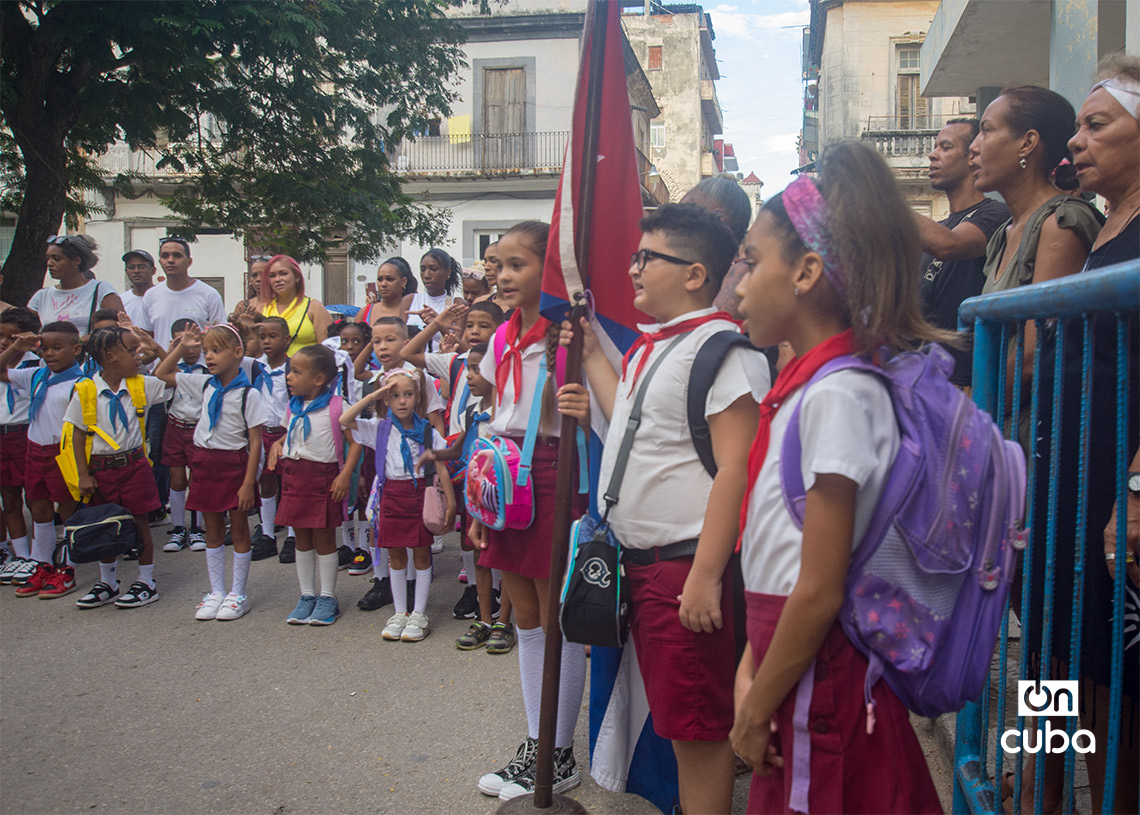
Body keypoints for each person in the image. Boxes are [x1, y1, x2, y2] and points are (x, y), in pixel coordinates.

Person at [730, 143, 946, 813]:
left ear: (806, 272)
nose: (738, 282)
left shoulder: (839, 394)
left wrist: (752, 707)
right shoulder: (809, 387)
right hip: (791, 665)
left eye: (751, 260)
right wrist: (749, 669)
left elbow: (820, 588)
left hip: (823, 683)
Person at [558, 203, 769, 815]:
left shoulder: (723, 351)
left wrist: (704, 576)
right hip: (639, 563)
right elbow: (628, 414)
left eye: (649, 258)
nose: (634, 269)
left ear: (697, 274)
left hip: (683, 568)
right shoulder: (655, 348)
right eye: (635, 256)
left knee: (697, 729)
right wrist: (593, 346)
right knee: (678, 718)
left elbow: (738, 468)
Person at [1004, 57, 1140, 815]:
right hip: (1068, 488)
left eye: (1099, 125)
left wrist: (1136, 491)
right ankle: (1045, 799)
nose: (1077, 143)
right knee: (1052, 666)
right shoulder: (1103, 223)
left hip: (1117, 497)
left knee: (1119, 689)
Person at [469, 221, 588, 801]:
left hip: (552, 473)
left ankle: (557, 752)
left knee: (553, 613)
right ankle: (539, 742)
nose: (502, 274)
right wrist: (479, 494)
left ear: (550, 270)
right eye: (498, 264)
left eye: (517, 264)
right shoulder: (501, 336)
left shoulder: (568, 336)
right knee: (523, 615)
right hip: (504, 475)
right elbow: (495, 409)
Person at [969, 85, 1101, 396]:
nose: (974, 147)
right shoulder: (1004, 233)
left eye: (986, 130)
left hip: (1034, 432)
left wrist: (966, 415)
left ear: (1027, 143)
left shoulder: (1060, 223)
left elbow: (1033, 356)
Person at [402, 301, 506, 625]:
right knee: (467, 528)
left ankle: (500, 599)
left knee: (498, 536)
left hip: (494, 462)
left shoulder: (504, 368)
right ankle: (477, 590)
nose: (475, 331)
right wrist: (438, 325)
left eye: (484, 326)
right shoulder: (456, 361)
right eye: (470, 325)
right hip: (464, 456)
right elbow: (409, 353)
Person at [154, 323, 266, 621]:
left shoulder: (248, 394)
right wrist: (181, 346)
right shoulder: (203, 384)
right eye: (206, 352)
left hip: (233, 465)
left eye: (217, 350)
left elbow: (255, 441)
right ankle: (216, 590)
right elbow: (161, 374)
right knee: (211, 528)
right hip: (204, 462)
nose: (209, 357)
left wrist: (247, 484)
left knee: (239, 528)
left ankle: (238, 593)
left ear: (238, 352)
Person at [339, 369, 456, 641]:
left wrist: (450, 504)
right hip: (390, 495)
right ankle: (400, 611)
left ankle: (419, 612)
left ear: (418, 398)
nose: (401, 401)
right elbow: (345, 419)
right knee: (396, 556)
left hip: (419, 496)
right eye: (394, 396)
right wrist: (375, 395)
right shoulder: (379, 428)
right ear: (386, 400)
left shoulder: (427, 431)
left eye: (408, 394)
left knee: (422, 554)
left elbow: (441, 468)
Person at [421, 342, 516, 653]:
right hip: (476, 498)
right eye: (469, 369)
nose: (470, 376)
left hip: (502, 497)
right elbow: (459, 448)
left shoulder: (510, 412)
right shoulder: (473, 410)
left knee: (507, 559)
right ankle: (485, 619)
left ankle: (505, 621)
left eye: (477, 369)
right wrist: (433, 454)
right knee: (481, 557)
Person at [67, 327, 170, 607]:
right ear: (110, 356)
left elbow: (169, 374)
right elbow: (77, 433)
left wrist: (160, 347)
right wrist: (83, 474)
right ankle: (108, 582)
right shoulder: (85, 389)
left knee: (140, 523)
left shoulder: (142, 384)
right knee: (105, 524)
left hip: (134, 464)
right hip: (100, 468)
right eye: (131, 350)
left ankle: (146, 580)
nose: (139, 356)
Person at [269, 344, 363, 626]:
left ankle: (327, 597)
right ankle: (306, 595)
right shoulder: (293, 406)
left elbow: (356, 443)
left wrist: (345, 475)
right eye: (289, 372)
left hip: (323, 478)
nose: (289, 377)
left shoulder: (338, 407)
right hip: (294, 478)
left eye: (296, 372)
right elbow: (289, 436)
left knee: (324, 540)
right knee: (301, 539)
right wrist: (276, 444)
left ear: (319, 378)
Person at [915, 118, 1010, 386]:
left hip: (966, 385)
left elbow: (949, 245)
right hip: (929, 384)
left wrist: (879, 196)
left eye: (945, 147)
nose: (933, 155)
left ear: (973, 156)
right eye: (935, 147)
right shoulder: (940, 227)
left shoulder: (995, 214)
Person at [0, 322, 84, 591]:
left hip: (62, 452)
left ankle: (68, 567)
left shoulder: (81, 383)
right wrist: (16, 348)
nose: (50, 354)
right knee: (38, 508)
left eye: (57, 348)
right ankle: (41, 563)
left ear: (76, 349)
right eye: (45, 348)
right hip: (34, 450)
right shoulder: (36, 375)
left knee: (68, 510)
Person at [141, 319, 208, 554]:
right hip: (175, 426)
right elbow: (162, 375)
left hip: (199, 427)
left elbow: (184, 381)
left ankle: (197, 528)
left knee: (198, 478)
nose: (188, 346)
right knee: (176, 477)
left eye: (193, 341)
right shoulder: (171, 364)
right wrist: (168, 352)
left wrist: (162, 351)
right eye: (181, 341)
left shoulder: (208, 367)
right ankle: (179, 528)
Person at [0, 308, 42, 580]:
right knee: (10, 499)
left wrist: (21, 349)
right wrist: (11, 348)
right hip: (1, 436)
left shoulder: (36, 364)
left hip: (25, 434)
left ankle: (39, 556)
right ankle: (20, 554)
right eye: (1, 336)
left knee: (37, 498)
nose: (5, 341)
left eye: (12, 336)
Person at [679, 176, 752, 320]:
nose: (676, 220)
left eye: (686, 211)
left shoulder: (740, 275)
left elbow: (704, 334)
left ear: (719, 220)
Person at [251, 316, 292, 562]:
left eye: (272, 336)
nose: (266, 341)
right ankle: (267, 534)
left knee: (289, 484)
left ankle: (293, 535)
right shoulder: (256, 367)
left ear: (286, 339)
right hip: (262, 433)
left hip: (286, 433)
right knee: (266, 483)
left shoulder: (293, 367)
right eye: (262, 336)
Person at [29, 235, 124, 337]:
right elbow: (24, 327)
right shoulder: (41, 296)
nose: (49, 263)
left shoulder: (101, 290)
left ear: (77, 261)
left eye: (56, 259)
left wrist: (79, 342)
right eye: (48, 258)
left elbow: (120, 327)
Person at [143, 237, 226, 350]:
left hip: (199, 366)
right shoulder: (150, 296)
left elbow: (221, 337)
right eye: (165, 256)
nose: (170, 260)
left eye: (177, 255)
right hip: (163, 366)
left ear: (189, 261)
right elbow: (147, 338)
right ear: (159, 262)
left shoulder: (209, 294)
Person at [258, 255, 332, 356]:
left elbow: (327, 351)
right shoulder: (261, 309)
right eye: (272, 276)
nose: (278, 279)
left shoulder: (314, 308)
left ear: (297, 277)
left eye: (283, 274)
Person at [407, 248, 462, 350]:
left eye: (433, 269)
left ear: (448, 272)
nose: (427, 275)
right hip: (409, 364)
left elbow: (459, 348)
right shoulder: (409, 300)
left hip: (441, 363)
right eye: (423, 269)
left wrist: (437, 324)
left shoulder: (456, 304)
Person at [355, 257, 416, 326]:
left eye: (389, 279)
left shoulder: (414, 311)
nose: (383, 284)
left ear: (403, 281)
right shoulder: (365, 313)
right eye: (380, 279)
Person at [119, 250, 156, 330]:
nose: (136, 271)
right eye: (131, 267)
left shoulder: (162, 297)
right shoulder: (120, 301)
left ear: (153, 271)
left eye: (142, 267)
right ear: (126, 271)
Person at [477, 242, 510, 313]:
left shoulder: (527, 306)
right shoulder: (481, 303)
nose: (486, 267)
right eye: (485, 261)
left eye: (493, 261)